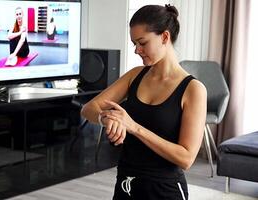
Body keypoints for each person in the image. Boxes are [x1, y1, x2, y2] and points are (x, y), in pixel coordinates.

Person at [81, 4, 207, 200]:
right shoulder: (135, 76)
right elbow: (89, 108)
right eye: (134, 43)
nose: (137, 50)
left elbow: (186, 158)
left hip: (165, 190)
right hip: (125, 185)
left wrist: (133, 127)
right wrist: (107, 119)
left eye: (142, 42)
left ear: (165, 37)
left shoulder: (193, 89)